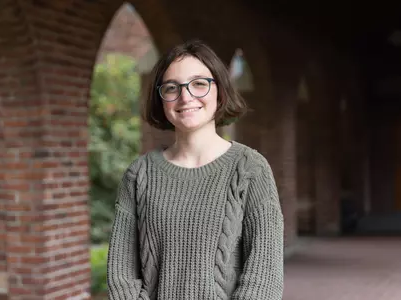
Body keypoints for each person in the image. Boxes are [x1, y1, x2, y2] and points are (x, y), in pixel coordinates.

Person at [107, 39, 284, 300]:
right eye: (171, 88)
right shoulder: (139, 175)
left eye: (199, 84)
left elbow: (263, 277)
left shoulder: (250, 169)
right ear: (161, 99)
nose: (185, 96)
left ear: (220, 91)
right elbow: (121, 275)